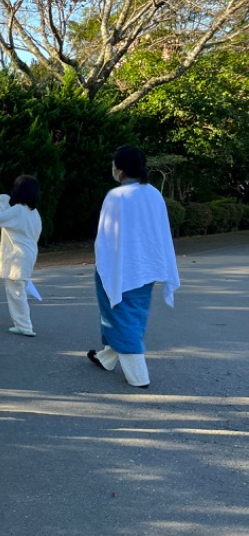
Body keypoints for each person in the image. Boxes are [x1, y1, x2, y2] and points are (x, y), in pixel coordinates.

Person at [88, 144, 180, 388]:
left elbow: (106, 237)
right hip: (146, 267)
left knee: (120, 315)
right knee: (134, 314)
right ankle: (106, 359)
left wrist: (103, 264)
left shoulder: (116, 196)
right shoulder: (153, 193)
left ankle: (139, 376)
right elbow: (158, 231)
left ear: (120, 169)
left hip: (121, 266)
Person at [0, 175, 42, 337]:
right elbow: (27, 234)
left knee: (16, 292)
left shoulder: (18, 210)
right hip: (28, 254)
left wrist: (0, 201)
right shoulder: (34, 213)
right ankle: (21, 322)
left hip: (17, 258)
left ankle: (24, 326)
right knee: (18, 289)